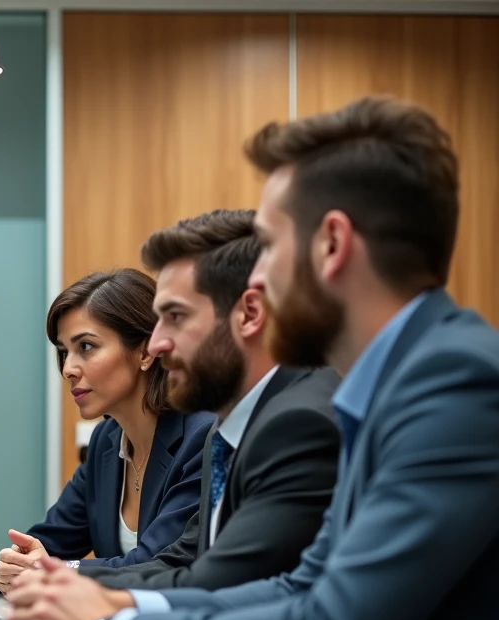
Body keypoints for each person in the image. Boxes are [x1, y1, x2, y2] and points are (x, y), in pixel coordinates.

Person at [4, 96, 499, 620]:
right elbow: (301, 586)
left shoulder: (451, 382)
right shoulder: (386, 384)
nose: (255, 280)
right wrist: (116, 604)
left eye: (268, 245)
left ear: (331, 245)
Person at [80, 209, 341, 591]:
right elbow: (182, 560)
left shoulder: (299, 425)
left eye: (175, 316)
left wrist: (100, 605)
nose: (156, 343)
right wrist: (61, 578)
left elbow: (221, 583)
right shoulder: (230, 429)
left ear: (249, 314)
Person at [0, 269, 213, 594]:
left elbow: (161, 563)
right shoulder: (105, 442)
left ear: (146, 351)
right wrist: (8, 569)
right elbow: (45, 543)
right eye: (63, 352)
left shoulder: (202, 437)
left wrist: (53, 570)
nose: (68, 369)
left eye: (86, 346)